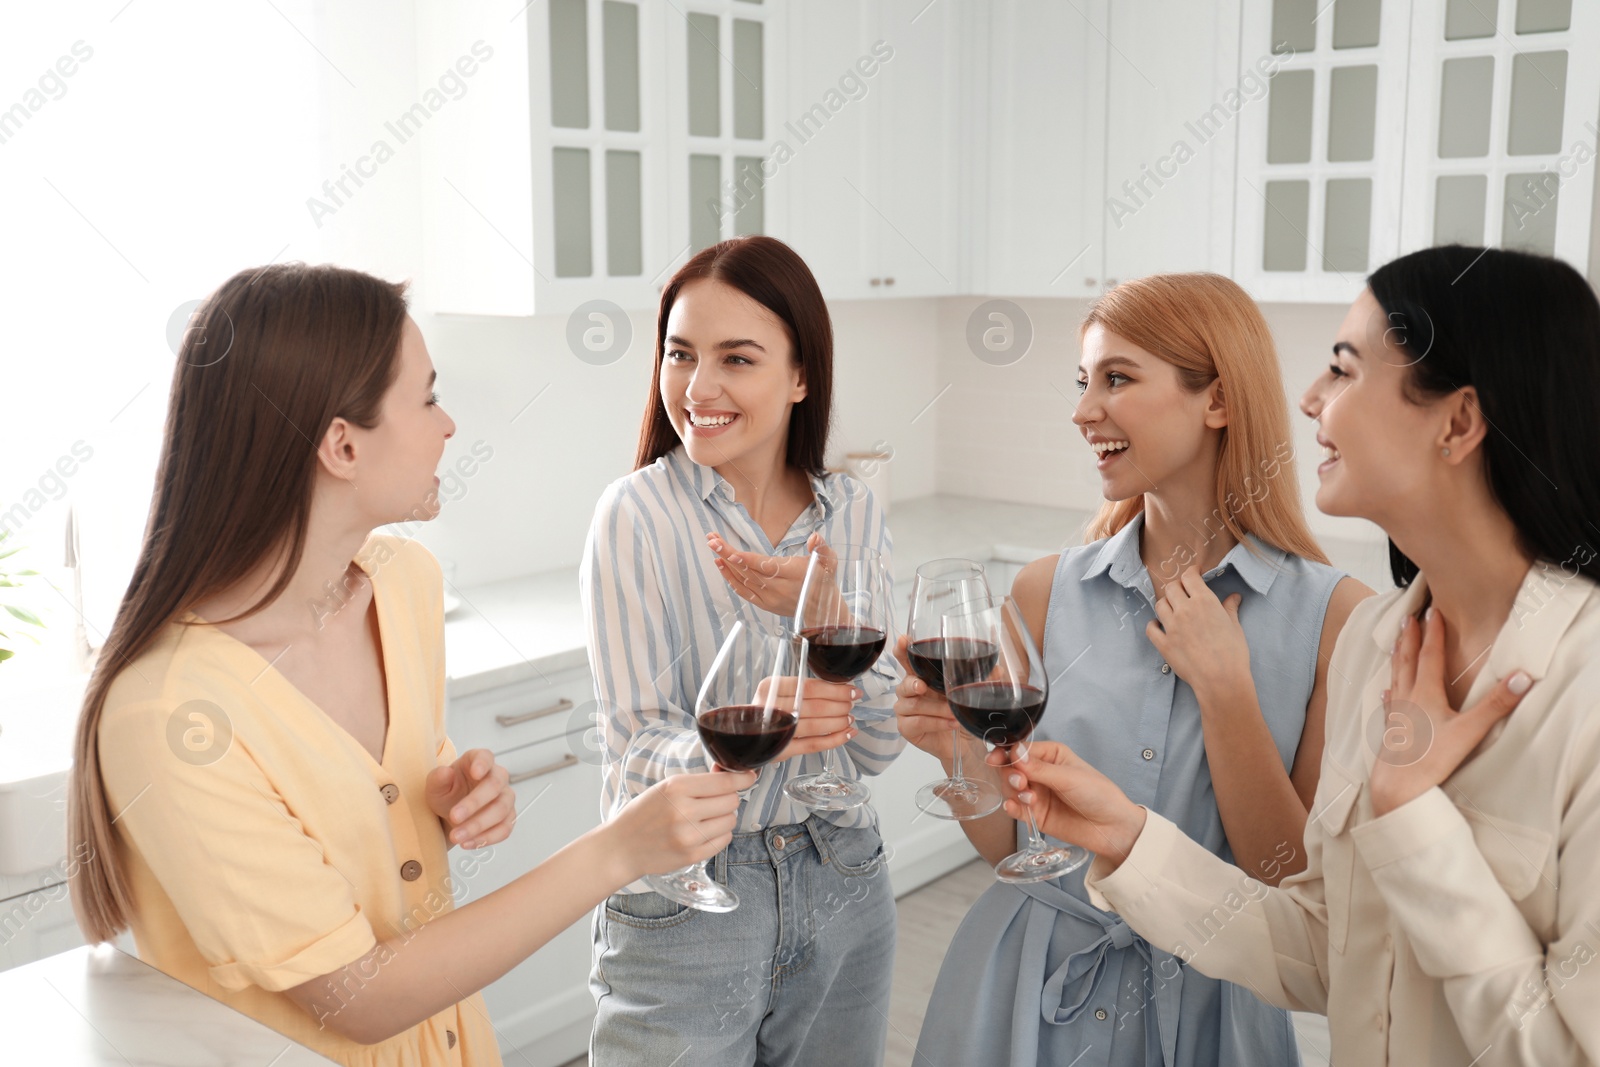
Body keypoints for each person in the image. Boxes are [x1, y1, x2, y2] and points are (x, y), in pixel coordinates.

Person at [67, 263, 755, 1067]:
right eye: (427, 397)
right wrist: (618, 850)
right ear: (342, 444)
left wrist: (444, 795)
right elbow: (358, 996)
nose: (449, 425)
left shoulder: (400, 584)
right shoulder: (167, 712)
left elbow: (390, 795)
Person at [1005, 246, 1600, 1066]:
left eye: (1345, 370)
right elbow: (1326, 949)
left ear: (1457, 423)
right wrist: (1130, 836)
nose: (1312, 398)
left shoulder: (1587, 691)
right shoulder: (1375, 646)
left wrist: (1411, 819)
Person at [898, 272, 1372, 1065]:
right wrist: (955, 750)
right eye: (1086, 382)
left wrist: (1227, 693)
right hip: (1026, 990)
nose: (1085, 411)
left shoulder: (1336, 617)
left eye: (1117, 378)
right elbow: (1014, 843)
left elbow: (1290, 882)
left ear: (1217, 401)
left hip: (1215, 1002)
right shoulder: (1046, 591)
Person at [580, 235, 904, 1065]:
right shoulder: (636, 516)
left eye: (738, 358)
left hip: (843, 871)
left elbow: (874, 743)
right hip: (689, 889)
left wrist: (827, 616)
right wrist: (759, 730)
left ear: (800, 377)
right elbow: (638, 748)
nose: (700, 386)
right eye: (681, 354)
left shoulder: (853, 513)